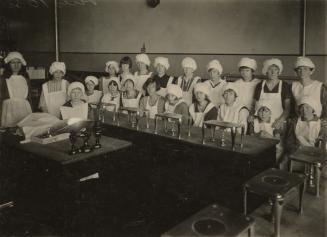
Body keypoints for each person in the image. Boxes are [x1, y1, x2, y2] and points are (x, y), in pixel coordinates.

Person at [253, 58, 291, 131]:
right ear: (266, 71)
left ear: (279, 71)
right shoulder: (260, 85)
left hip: (278, 122)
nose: (273, 72)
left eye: (276, 69)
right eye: (270, 69)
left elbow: (287, 109)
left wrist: (280, 121)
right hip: (261, 121)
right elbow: (255, 105)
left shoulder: (284, 85)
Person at [1, 51, 32, 127]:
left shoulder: (26, 79)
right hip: (9, 111)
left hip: (24, 110)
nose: (16, 65)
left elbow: (29, 98)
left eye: (18, 62)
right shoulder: (3, 79)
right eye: (13, 63)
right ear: (8, 65)